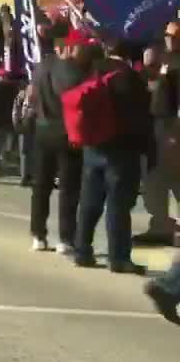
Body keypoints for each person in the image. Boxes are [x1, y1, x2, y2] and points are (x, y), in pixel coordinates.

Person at [71, 38, 149, 274]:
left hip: (93, 144)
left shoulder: (91, 70)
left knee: (90, 201)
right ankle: (118, 257)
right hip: (121, 149)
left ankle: (82, 250)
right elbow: (140, 117)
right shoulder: (129, 77)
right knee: (117, 204)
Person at [30, 32, 90, 253]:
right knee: (68, 187)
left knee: (41, 185)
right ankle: (65, 237)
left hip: (42, 129)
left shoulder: (41, 67)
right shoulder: (72, 71)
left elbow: (31, 96)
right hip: (66, 132)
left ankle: (38, 234)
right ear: (68, 47)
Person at [138, 23, 180, 246]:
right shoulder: (160, 63)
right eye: (167, 36)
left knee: (174, 177)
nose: (169, 39)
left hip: (171, 126)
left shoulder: (176, 65)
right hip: (154, 126)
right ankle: (160, 224)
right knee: (154, 178)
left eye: (174, 36)